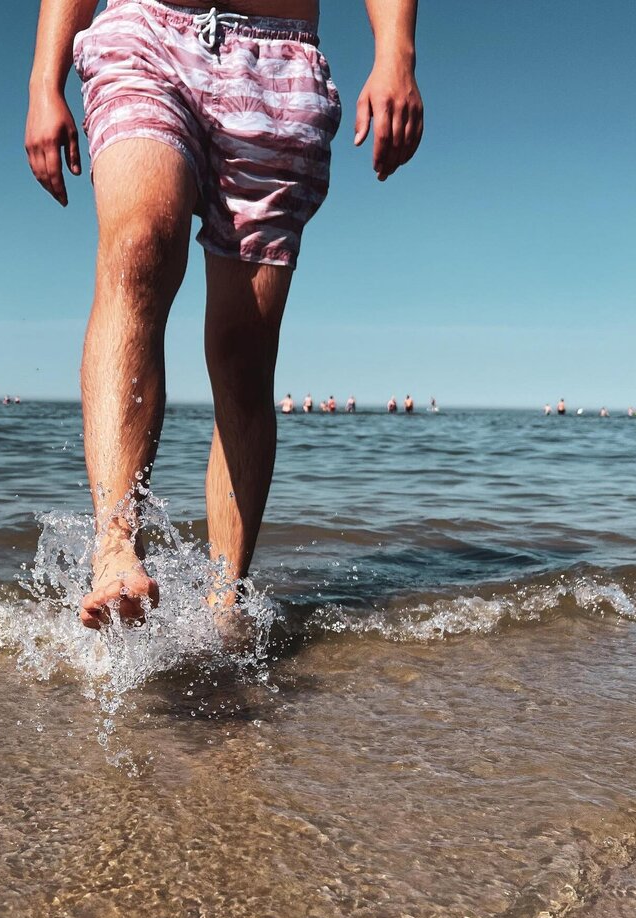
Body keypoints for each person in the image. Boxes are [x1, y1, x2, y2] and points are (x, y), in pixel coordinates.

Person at [26, 0, 423, 628]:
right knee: (140, 247)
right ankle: (115, 549)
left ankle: (224, 603)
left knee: (243, 352)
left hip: (279, 63)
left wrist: (395, 53)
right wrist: (44, 83)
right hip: (147, 30)